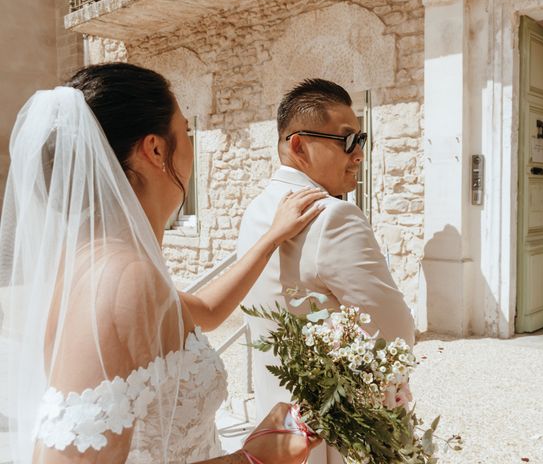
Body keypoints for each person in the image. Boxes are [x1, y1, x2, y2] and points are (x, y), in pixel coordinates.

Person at [0, 63, 325, 464]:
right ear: (156, 149)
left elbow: (205, 312)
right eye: (186, 132)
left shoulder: (106, 263)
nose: (191, 147)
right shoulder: (122, 280)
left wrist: (272, 237)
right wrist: (254, 458)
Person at [236, 79, 415, 464]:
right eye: (348, 140)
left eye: (362, 140)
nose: (359, 154)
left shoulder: (256, 210)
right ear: (298, 145)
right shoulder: (334, 215)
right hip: (332, 434)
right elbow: (395, 330)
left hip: (275, 420)